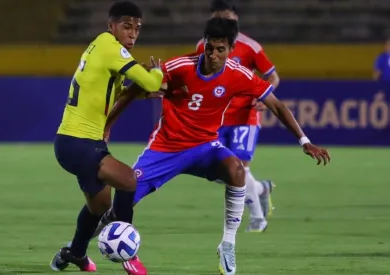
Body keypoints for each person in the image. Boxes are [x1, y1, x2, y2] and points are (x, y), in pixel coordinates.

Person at [101, 17, 330, 275]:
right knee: (124, 193)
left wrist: (305, 141)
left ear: (231, 50)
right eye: (209, 48)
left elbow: (276, 105)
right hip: (165, 149)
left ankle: (228, 245)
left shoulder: (239, 74)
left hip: (205, 147)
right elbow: (136, 88)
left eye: (220, 50)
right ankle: (102, 228)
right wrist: (109, 124)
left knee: (237, 170)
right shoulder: (179, 66)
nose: (212, 55)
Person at [49, 1, 163, 273]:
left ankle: (74, 253)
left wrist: (136, 89)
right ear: (111, 25)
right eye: (126, 27)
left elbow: (124, 91)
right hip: (79, 142)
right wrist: (156, 72)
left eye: (137, 28)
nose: (132, 34)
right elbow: (152, 83)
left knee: (100, 205)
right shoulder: (111, 48)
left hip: (72, 142)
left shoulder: (100, 47)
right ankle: (128, 257)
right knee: (127, 180)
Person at [195, 0, 281, 232]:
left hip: (245, 116)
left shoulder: (250, 46)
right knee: (216, 170)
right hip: (216, 118)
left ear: (235, 18)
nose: (223, 21)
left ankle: (257, 218)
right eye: (218, 17)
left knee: (241, 167)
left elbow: (273, 77)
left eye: (227, 17)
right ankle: (260, 189)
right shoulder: (203, 46)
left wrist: (264, 96)